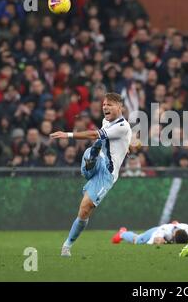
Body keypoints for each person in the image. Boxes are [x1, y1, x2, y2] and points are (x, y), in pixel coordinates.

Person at [50, 93, 132, 257]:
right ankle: (91, 158)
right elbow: (109, 138)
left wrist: (68, 134)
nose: (105, 107)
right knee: (92, 151)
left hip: (107, 174)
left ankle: (67, 245)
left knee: (85, 209)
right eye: (104, 105)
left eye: (109, 105)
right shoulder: (106, 122)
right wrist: (126, 147)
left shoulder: (123, 126)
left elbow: (96, 134)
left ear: (119, 107)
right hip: (99, 161)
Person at [112, 221, 188, 245]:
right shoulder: (165, 230)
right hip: (156, 230)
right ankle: (122, 233)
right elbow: (157, 240)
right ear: (173, 235)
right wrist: (161, 241)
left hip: (172, 226)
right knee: (138, 240)